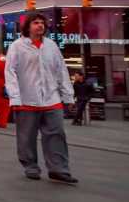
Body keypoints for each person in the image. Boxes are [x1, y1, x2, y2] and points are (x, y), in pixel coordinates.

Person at [5, 13, 78, 184]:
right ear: (28, 27)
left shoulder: (51, 46)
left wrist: (68, 96)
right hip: (26, 100)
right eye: (36, 23)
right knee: (27, 137)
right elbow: (10, 72)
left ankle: (58, 169)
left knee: (56, 134)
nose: (40, 26)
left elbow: (61, 71)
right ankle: (30, 166)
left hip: (52, 100)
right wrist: (15, 98)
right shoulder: (17, 46)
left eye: (42, 23)